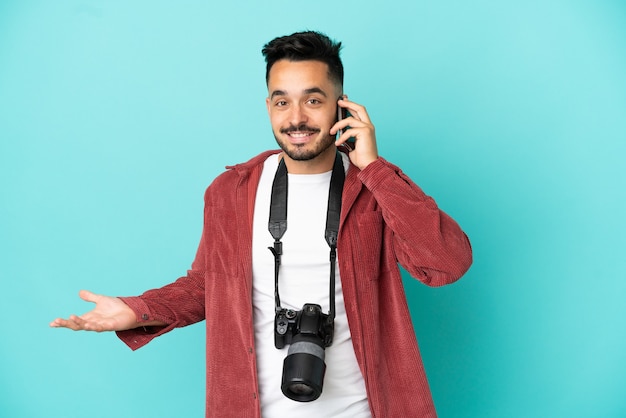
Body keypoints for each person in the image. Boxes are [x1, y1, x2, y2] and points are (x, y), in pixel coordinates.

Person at [50, 31, 472, 418]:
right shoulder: (231, 192)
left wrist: (375, 169)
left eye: (313, 99)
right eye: (282, 101)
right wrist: (135, 309)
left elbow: (446, 264)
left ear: (342, 105)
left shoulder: (374, 188)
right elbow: (206, 286)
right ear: (268, 106)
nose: (296, 118)